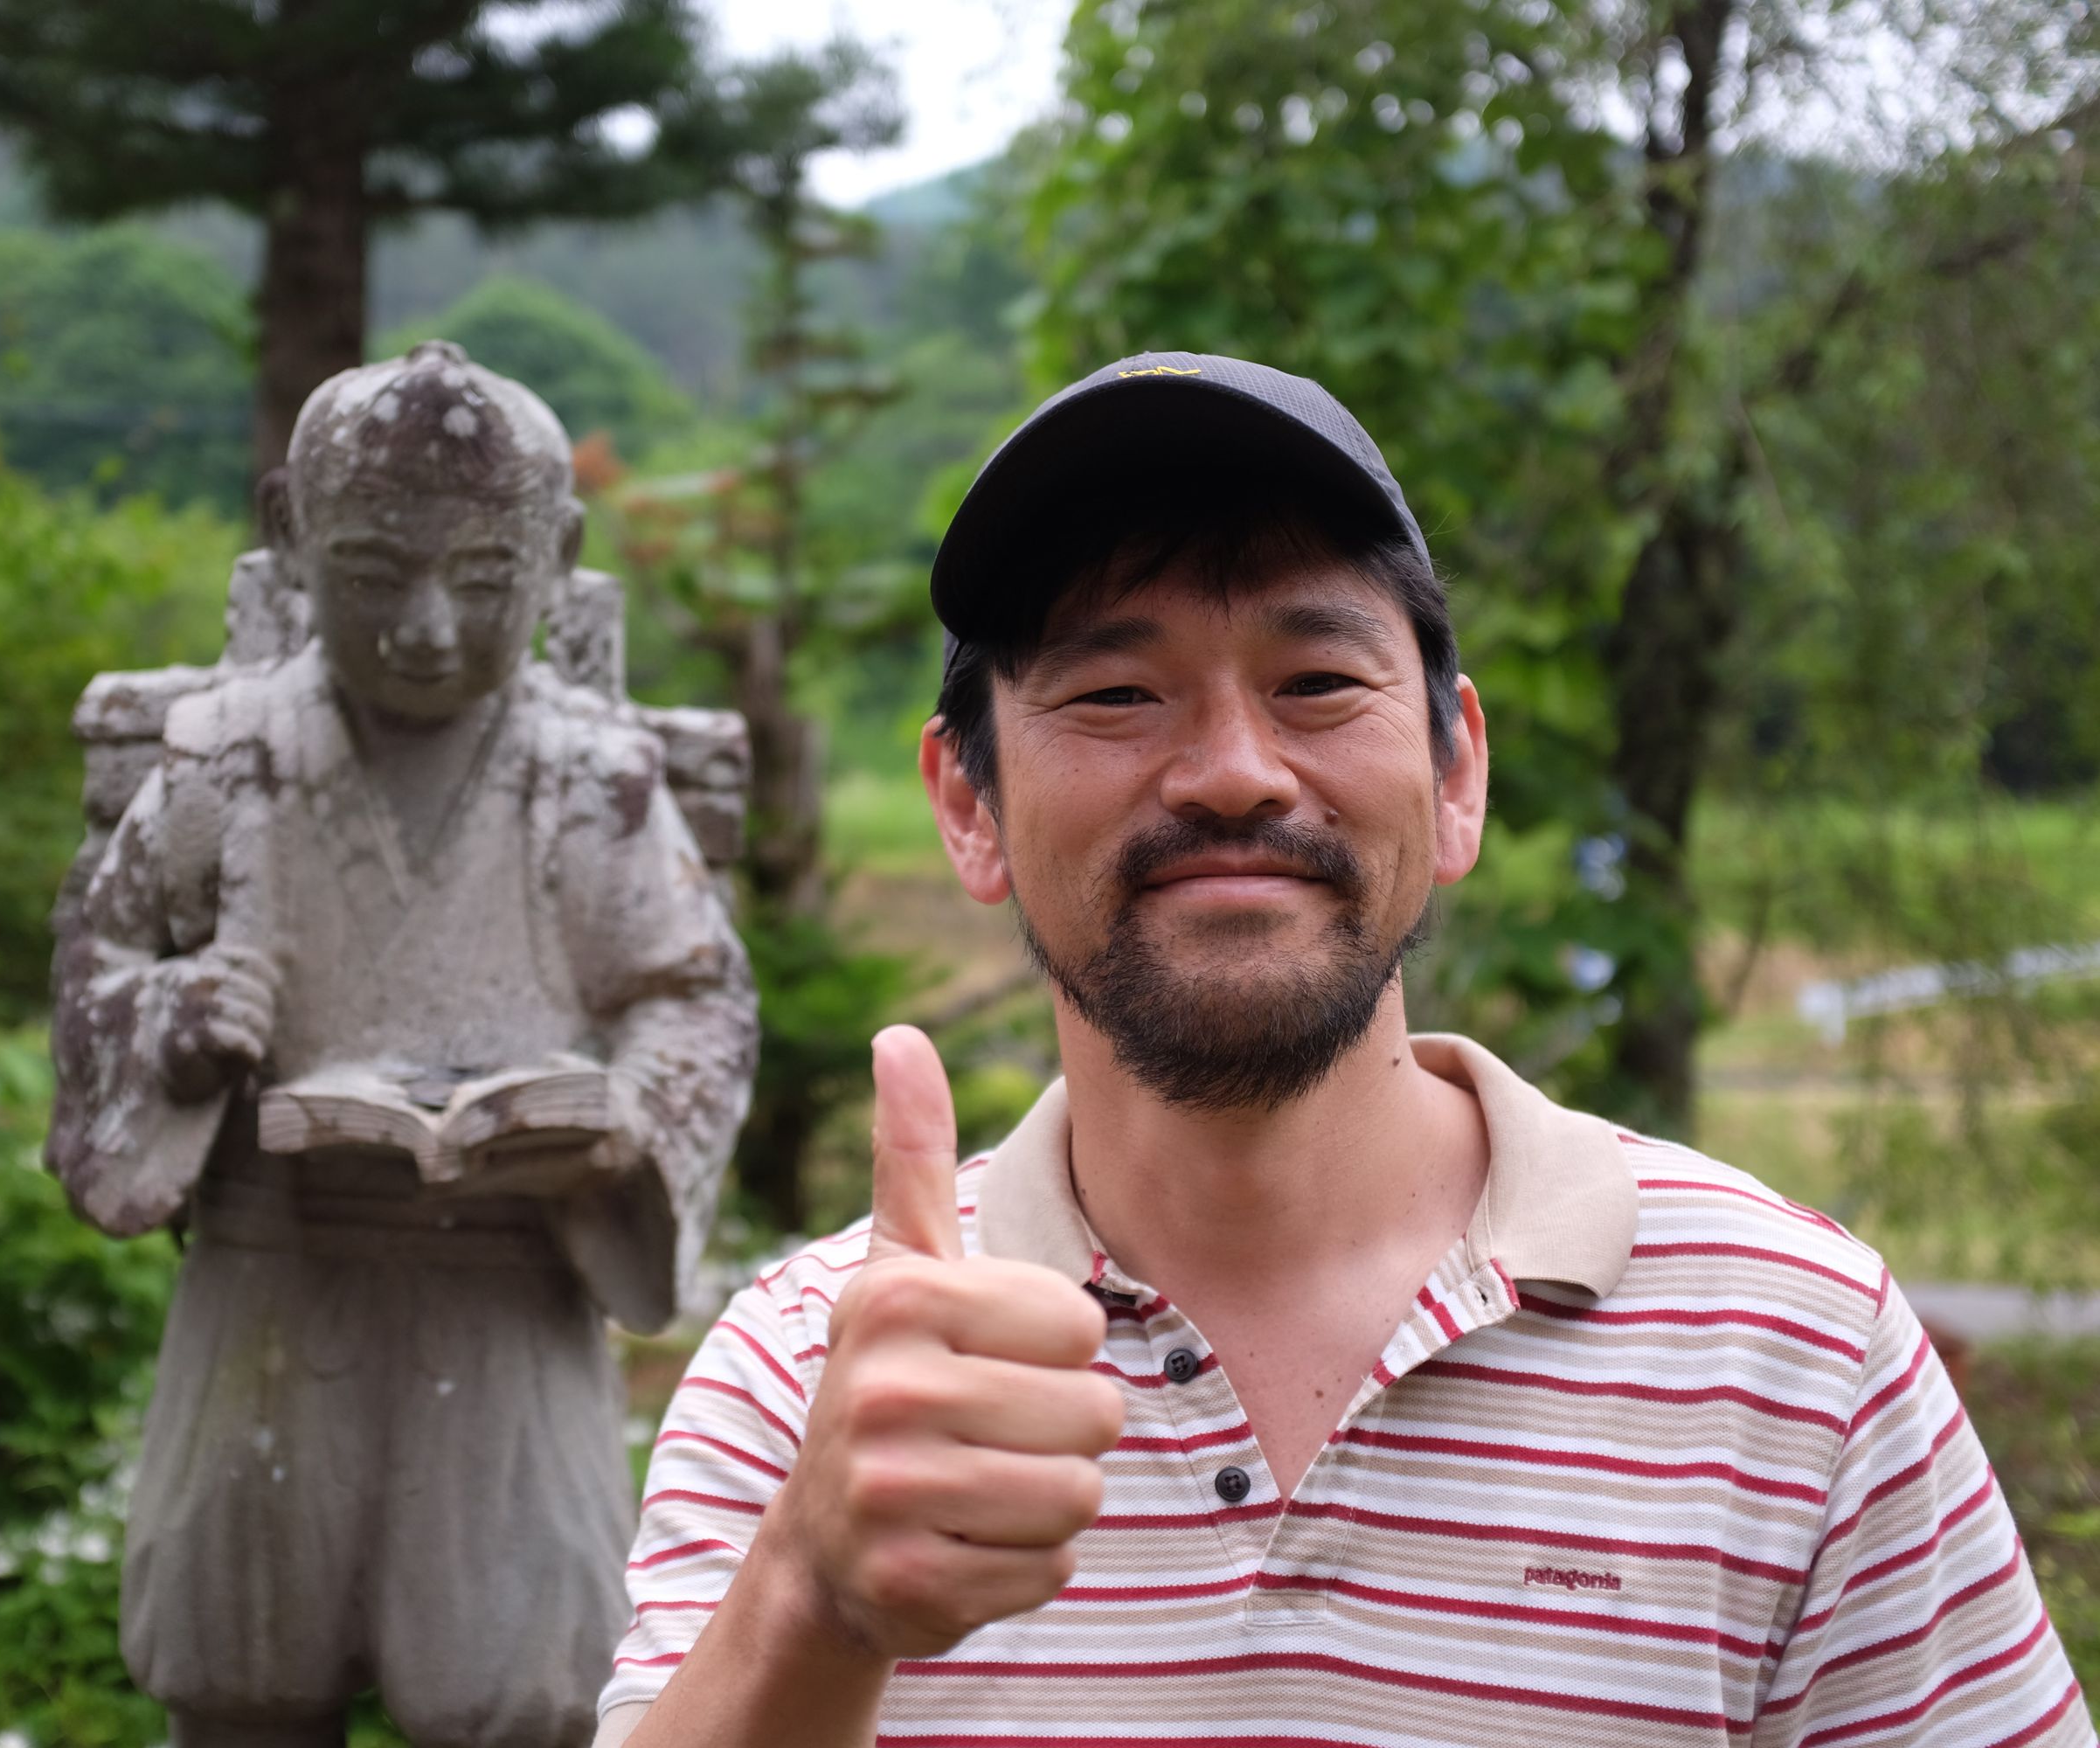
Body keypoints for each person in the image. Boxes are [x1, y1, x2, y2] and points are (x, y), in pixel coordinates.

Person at [596, 353, 2092, 1747]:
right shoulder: (811, 1376)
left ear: (1457, 774)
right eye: (1117, 693)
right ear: (968, 804)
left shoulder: (1795, 1350)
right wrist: (811, 1595)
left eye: (1317, 683)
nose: (1236, 772)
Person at [48, 342, 758, 1748]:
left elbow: (695, 994)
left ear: (553, 560)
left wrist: (616, 1122)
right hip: (273, 1281)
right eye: (377, 576)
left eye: (483, 584)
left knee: (523, 1695)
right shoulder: (220, 763)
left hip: (508, 1294)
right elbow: (97, 957)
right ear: (290, 537)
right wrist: (171, 1022)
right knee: (240, 1680)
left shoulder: (592, 783)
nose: (429, 626)